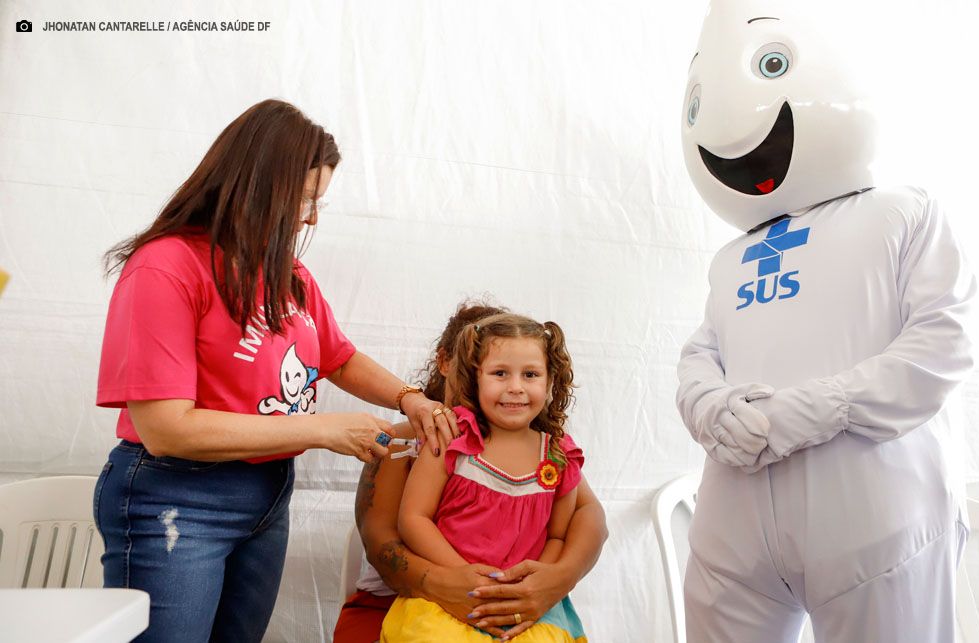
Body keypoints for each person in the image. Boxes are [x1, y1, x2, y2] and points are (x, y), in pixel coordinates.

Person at [93, 99, 457, 643]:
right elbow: (166, 429)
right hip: (176, 499)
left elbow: (339, 357)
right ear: (256, 183)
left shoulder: (288, 274)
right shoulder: (165, 267)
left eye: (319, 202)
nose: (311, 217)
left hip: (266, 495)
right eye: (306, 198)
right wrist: (321, 429)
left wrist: (411, 398)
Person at [676, 3, 975, 642]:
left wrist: (821, 406)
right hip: (732, 520)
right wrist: (710, 406)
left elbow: (941, 343)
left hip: (873, 512)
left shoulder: (904, 211)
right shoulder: (729, 259)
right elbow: (702, 351)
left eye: (774, 64)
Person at [334, 302, 607, 642]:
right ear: (449, 362)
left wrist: (558, 577)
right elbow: (382, 542)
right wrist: (451, 582)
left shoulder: (545, 451)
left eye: (529, 372)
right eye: (497, 370)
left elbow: (587, 516)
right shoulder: (407, 441)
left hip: (511, 603)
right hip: (403, 601)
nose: (514, 385)